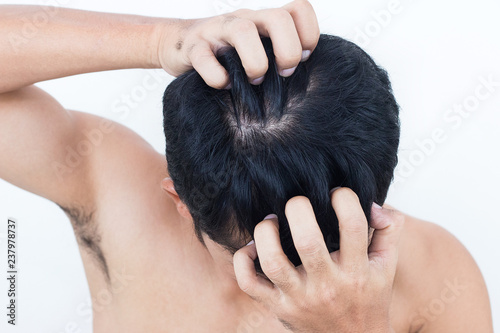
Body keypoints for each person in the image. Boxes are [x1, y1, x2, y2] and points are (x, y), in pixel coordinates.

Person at [0, 1, 493, 332]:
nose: (284, 285)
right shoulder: (113, 193)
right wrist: (160, 40)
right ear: (178, 199)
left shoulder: (434, 274)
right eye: (260, 258)